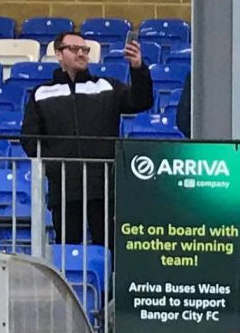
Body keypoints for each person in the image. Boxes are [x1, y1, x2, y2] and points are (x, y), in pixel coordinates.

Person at [20, 30, 153, 245]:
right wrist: (55, 164)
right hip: (64, 189)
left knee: (109, 247)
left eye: (85, 49)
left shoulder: (107, 86)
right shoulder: (41, 93)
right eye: (74, 49)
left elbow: (141, 101)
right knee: (66, 248)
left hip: (104, 189)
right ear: (58, 54)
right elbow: (29, 139)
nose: (82, 54)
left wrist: (138, 68)